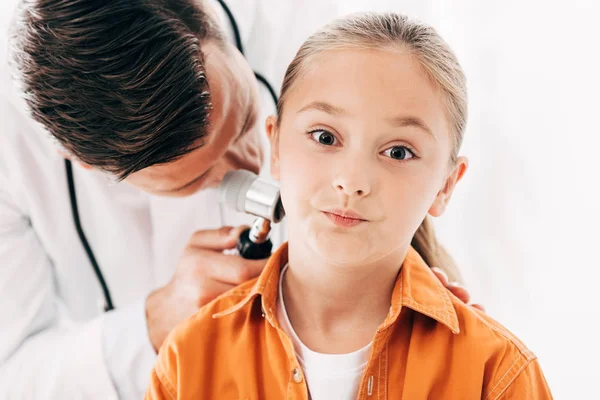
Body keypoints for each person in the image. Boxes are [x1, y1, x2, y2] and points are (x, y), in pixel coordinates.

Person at [1, 1, 476, 398]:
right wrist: (154, 324)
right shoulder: (14, 157)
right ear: (87, 164)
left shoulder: (307, 29)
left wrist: (396, 282)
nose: (251, 165)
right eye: (199, 176)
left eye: (247, 119)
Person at [145, 12, 553, 400]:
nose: (352, 181)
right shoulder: (188, 360)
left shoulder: (496, 373)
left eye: (398, 151)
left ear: (445, 186)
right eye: (325, 137)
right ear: (277, 147)